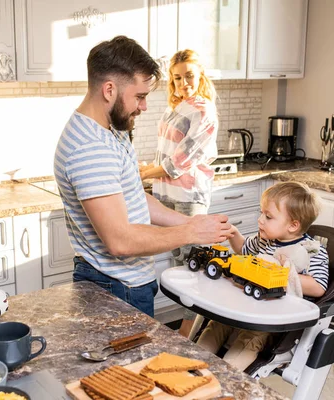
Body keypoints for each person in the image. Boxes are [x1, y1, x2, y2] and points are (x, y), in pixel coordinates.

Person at [53, 36, 233, 318]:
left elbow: (137, 197)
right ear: (109, 90)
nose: (144, 106)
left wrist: (192, 221)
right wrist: (190, 233)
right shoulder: (90, 148)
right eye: (139, 96)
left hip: (125, 283)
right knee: (127, 364)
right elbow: (120, 241)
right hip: (114, 288)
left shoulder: (113, 129)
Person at [196, 181, 329, 371]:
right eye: (261, 213)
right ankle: (193, 363)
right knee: (216, 324)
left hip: (272, 320)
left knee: (250, 339)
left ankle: (224, 377)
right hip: (245, 307)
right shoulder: (264, 241)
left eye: (268, 216)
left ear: (293, 225)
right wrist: (234, 234)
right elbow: (243, 250)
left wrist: (282, 273)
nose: (260, 220)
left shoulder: (310, 251)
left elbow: (318, 287)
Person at [139, 49, 218, 337]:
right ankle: (190, 332)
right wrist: (148, 168)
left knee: (193, 270)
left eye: (189, 76)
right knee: (179, 268)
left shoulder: (203, 110)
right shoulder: (177, 107)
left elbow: (180, 162)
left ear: (200, 76)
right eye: (177, 78)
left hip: (188, 199)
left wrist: (146, 173)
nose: (184, 82)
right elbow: (165, 154)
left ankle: (189, 335)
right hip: (167, 196)